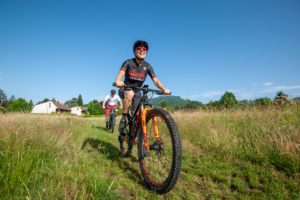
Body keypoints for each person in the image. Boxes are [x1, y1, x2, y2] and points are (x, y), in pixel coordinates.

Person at [115, 40, 170, 136]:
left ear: (146, 52)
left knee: (138, 116)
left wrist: (163, 89)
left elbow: (156, 80)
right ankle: (123, 119)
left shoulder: (147, 66)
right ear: (134, 51)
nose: (141, 50)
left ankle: (136, 136)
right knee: (130, 93)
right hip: (125, 89)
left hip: (137, 91)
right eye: (138, 48)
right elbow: (121, 73)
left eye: (144, 49)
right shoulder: (128, 62)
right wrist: (118, 81)